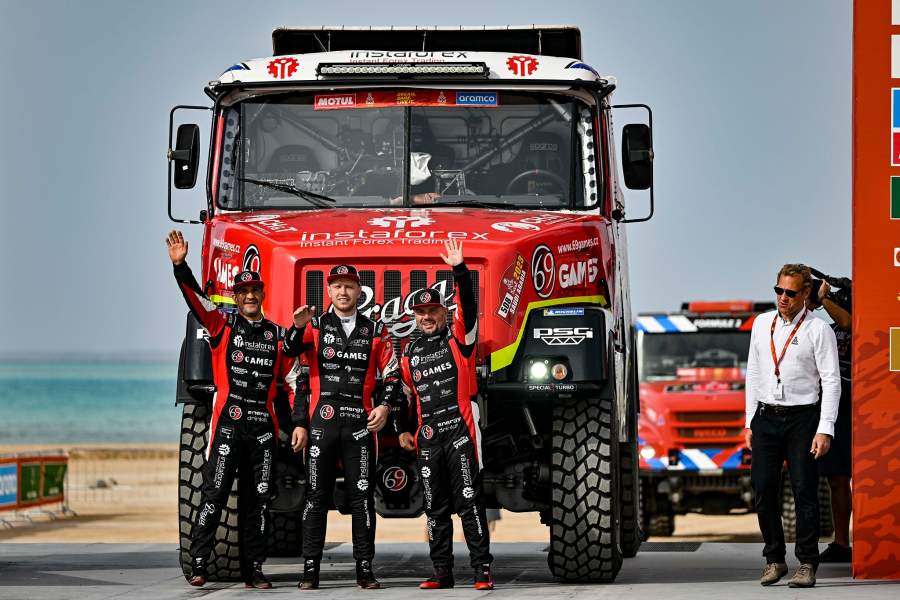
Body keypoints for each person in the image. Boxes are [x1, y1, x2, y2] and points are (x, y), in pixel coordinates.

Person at [166, 230, 295, 589]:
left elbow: (291, 382)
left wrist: (296, 424)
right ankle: (199, 563)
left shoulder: (277, 335)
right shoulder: (221, 326)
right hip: (228, 428)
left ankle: (254, 569)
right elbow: (196, 300)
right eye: (244, 292)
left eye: (255, 290)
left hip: (263, 432)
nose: (250, 296)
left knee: (259, 502)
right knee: (215, 494)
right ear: (236, 298)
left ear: (263, 295)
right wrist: (180, 267)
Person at [284, 264, 401, 590]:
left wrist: (385, 406)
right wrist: (299, 423)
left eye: (349, 286)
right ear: (329, 291)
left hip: (360, 425)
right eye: (337, 286)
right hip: (321, 423)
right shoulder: (314, 325)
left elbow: (393, 374)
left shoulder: (376, 330)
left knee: (362, 498)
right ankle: (310, 569)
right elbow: (291, 358)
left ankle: (365, 568)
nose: (343, 292)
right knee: (315, 496)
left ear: (359, 291)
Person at [397, 239, 494, 591]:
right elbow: (405, 396)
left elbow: (469, 305)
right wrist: (403, 428)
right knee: (434, 507)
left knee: (469, 501)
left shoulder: (459, 341)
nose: (426, 317)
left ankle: (482, 571)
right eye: (420, 312)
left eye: (432, 311)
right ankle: (442, 572)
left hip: (460, 431)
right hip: (428, 437)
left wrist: (459, 270)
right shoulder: (409, 353)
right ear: (414, 317)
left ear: (443, 313)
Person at [745, 264, 841, 588]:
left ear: (805, 294)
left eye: (790, 292)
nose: (783, 298)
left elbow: (831, 381)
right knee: (763, 488)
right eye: (779, 290)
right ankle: (774, 559)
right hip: (766, 417)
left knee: (804, 490)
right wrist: (749, 421)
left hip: (803, 418)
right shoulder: (761, 324)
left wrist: (825, 428)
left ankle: (807, 563)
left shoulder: (818, 330)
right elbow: (753, 373)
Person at [807, 278, 853, 563]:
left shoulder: (859, 324)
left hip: (861, 410)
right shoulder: (828, 330)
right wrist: (812, 300)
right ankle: (841, 542)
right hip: (835, 410)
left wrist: (824, 299)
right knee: (837, 479)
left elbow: (849, 322)